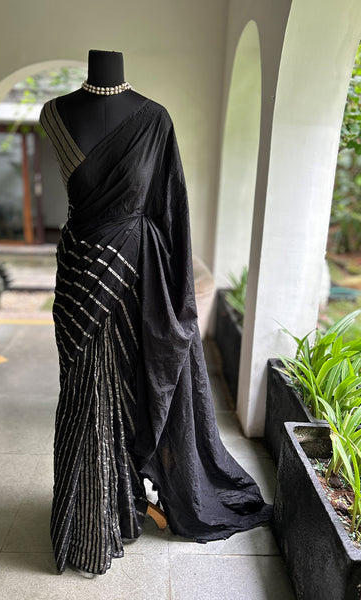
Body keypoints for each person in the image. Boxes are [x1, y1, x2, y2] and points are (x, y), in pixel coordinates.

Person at [40, 49, 272, 577]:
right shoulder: (54, 113)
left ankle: (118, 502)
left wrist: (174, 294)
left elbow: (171, 208)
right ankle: (87, 513)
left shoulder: (154, 120)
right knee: (82, 392)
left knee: (125, 390)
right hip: (79, 275)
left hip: (133, 275)